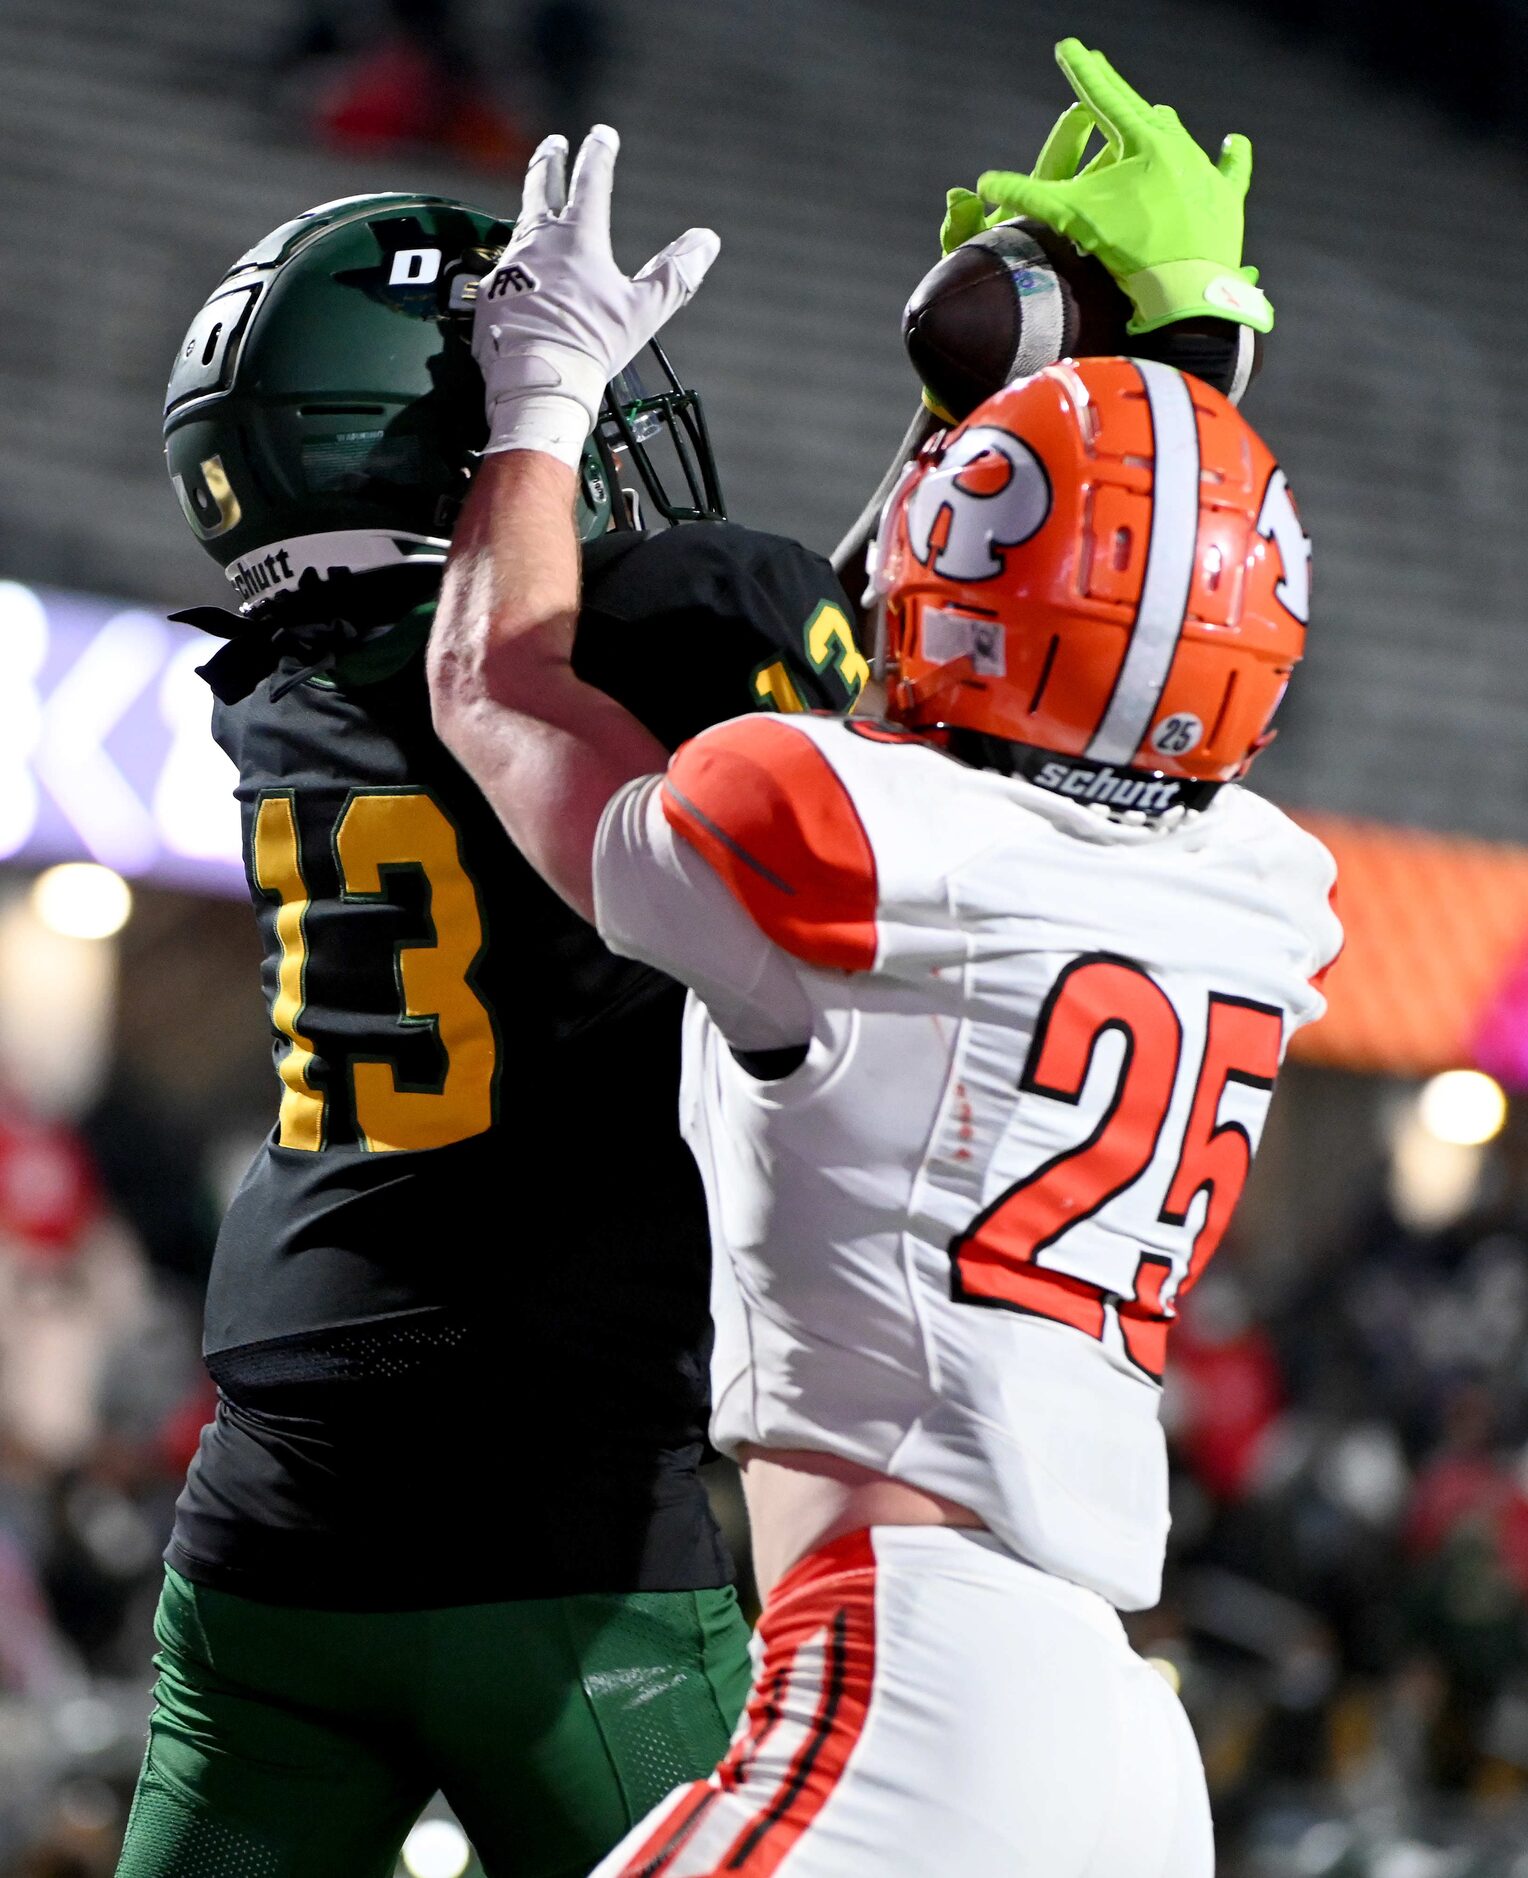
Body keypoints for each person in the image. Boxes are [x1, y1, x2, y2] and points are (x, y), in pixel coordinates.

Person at [120, 41, 1276, 1878]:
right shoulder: (668, 630)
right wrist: (1129, 369)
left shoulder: (273, 700)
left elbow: (626, 703)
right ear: (460, 446)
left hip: (270, 1505)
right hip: (566, 1517)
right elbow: (910, 696)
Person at [426, 121, 1342, 1876]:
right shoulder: (1265, 888)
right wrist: (1186, 356)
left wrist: (538, 392)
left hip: (911, 1680)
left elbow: (498, 677)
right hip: (1119, 1747)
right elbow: (1099, 647)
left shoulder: (844, 837)